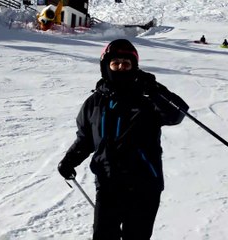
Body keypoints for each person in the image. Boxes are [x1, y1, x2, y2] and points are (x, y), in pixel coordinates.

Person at [58, 39, 189, 240]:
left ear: (134, 67)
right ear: (106, 66)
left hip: (144, 185)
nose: (120, 68)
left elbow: (176, 114)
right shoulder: (94, 103)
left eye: (126, 64)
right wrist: (69, 160)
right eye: (116, 63)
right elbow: (86, 139)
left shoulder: (147, 99)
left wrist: (156, 90)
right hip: (108, 183)